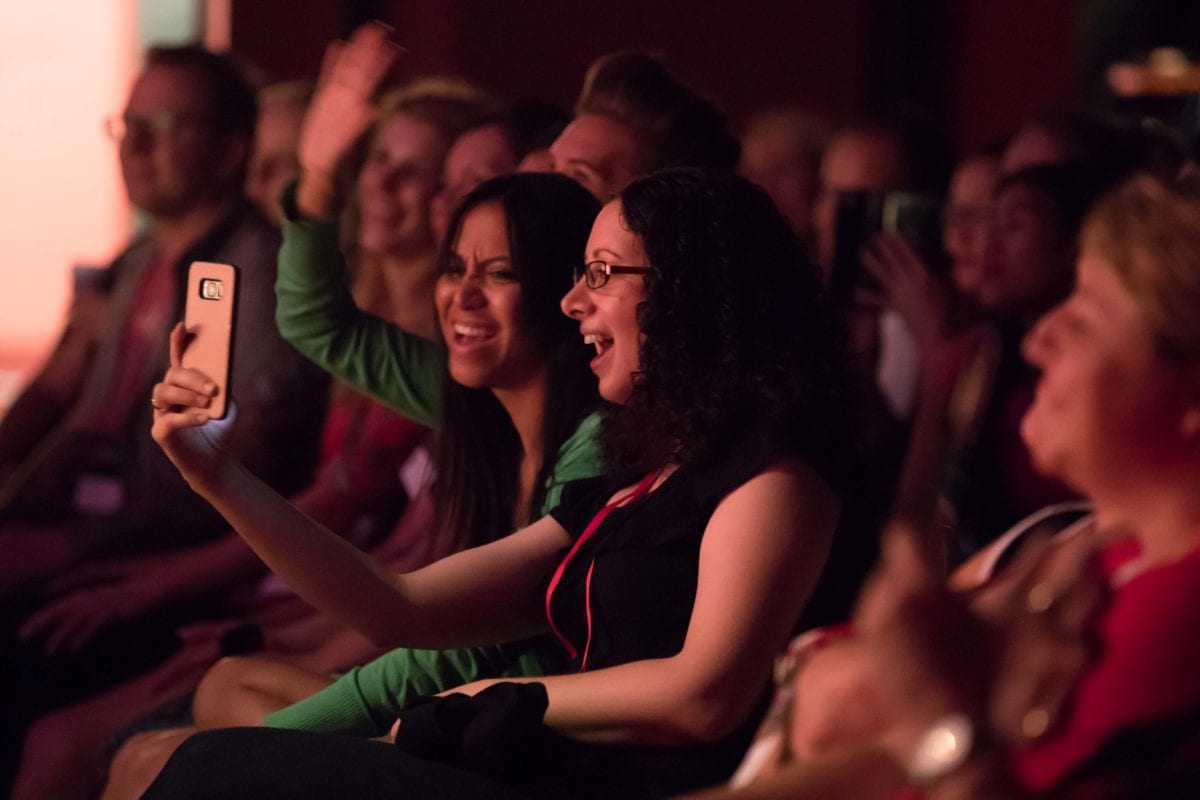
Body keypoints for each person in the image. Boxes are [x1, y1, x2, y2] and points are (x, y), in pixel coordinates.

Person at [135, 167, 860, 799]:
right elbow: (401, 608)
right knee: (215, 749)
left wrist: (495, 696)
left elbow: (705, 696)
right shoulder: (643, 471)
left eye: (602, 274)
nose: (574, 302)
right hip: (534, 766)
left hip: (611, 787)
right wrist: (215, 473)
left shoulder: (776, 472)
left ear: (693, 293)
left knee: (214, 767)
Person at [682, 172, 1200, 799]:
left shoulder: (1180, 614)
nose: (1038, 341)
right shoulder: (1098, 558)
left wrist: (941, 718)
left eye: (1086, 317)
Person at [0, 48, 329, 792]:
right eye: (128, 126)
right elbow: (61, 397)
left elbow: (228, 473)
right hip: (92, 539)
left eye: (164, 125)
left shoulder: (255, 272)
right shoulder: (137, 256)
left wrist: (63, 547)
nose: (136, 146)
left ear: (228, 149)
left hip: (175, 570)